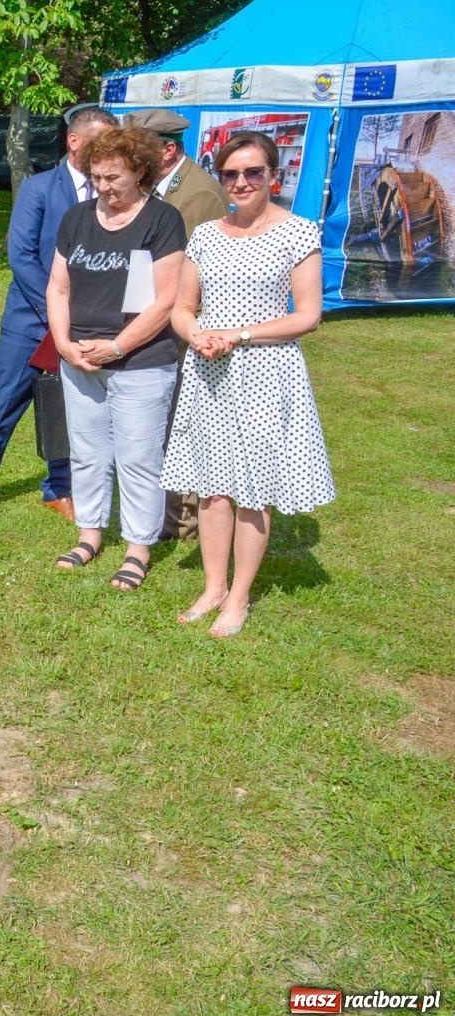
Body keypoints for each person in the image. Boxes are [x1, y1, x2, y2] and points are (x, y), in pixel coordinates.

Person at [162, 132, 334, 637]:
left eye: (253, 172)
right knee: (214, 488)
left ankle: (239, 599)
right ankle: (214, 588)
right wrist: (195, 335)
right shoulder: (207, 235)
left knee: (253, 490)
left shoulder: (298, 232)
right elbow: (182, 306)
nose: (241, 182)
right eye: (231, 173)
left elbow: (308, 315)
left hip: (265, 372)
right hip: (208, 371)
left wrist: (236, 336)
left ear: (272, 175)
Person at [0, 106, 119, 525]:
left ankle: (59, 488)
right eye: (102, 142)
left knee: (66, 411)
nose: (111, 151)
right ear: (75, 142)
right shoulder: (40, 189)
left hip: (86, 329)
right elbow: (21, 256)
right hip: (31, 326)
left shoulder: (112, 196)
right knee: (2, 405)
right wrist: (57, 314)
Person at [46, 126, 185, 591]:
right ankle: (89, 535)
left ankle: (138, 547)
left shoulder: (162, 221)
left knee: (139, 457)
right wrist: (64, 344)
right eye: (97, 178)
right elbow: (58, 287)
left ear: (140, 172)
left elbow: (164, 301)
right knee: (86, 453)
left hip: (140, 360)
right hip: (79, 357)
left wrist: (118, 347)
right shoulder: (77, 218)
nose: (103, 188)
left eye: (114, 179)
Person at [124, 107, 232, 542]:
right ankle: (170, 512)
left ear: (168, 150)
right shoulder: (161, 187)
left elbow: (202, 273)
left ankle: (184, 520)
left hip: (187, 327)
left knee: (183, 423)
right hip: (155, 315)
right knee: (164, 421)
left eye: (141, 150)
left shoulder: (199, 195)